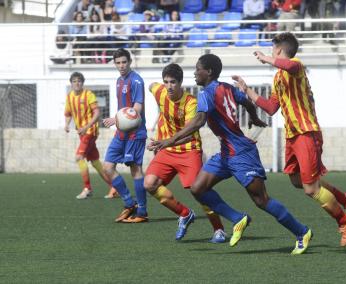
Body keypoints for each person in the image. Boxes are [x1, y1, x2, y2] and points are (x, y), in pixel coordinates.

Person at [149, 54, 312, 254]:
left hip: (241, 153)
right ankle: (237, 219)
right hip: (226, 152)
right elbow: (246, 102)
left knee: (261, 200)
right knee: (198, 188)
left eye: (198, 68)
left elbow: (199, 122)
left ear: (208, 72)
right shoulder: (227, 87)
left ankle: (301, 231)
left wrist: (168, 141)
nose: (194, 72)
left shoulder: (206, 94)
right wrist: (253, 117)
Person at [232, 32, 346, 247]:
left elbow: (289, 67)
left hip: (306, 132)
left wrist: (266, 58)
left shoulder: (295, 66)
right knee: (296, 181)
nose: (271, 53)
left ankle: (344, 221)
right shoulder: (278, 78)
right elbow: (272, 108)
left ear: (280, 51)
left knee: (311, 188)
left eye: (273, 50)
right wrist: (247, 91)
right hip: (292, 136)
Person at [142, 63, 226, 242]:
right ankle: (184, 214)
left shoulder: (191, 103)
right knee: (149, 184)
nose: (169, 86)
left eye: (173, 82)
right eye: (166, 82)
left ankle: (219, 229)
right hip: (166, 149)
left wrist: (164, 143)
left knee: (199, 191)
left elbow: (189, 136)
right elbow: (150, 85)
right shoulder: (160, 91)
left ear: (180, 83)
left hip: (188, 150)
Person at [103, 48, 148, 223]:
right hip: (121, 132)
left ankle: (142, 212)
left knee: (135, 170)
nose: (121, 66)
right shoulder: (118, 81)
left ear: (130, 62)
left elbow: (137, 109)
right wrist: (117, 122)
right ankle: (130, 203)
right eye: (118, 62)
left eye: (124, 62)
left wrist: (116, 119)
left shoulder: (136, 81)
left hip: (135, 133)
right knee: (107, 167)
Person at [64, 72, 118, 199]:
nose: (77, 83)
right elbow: (68, 113)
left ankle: (87, 188)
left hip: (90, 131)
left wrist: (86, 127)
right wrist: (66, 125)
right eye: (74, 81)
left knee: (79, 157)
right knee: (95, 162)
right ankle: (114, 187)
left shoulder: (88, 95)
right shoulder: (70, 96)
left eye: (79, 81)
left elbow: (97, 112)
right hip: (82, 133)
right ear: (71, 83)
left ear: (82, 83)